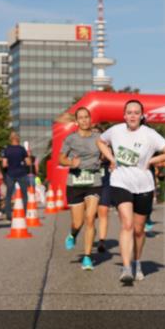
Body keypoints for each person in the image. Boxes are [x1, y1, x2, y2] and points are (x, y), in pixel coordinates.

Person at [96, 100, 165, 286]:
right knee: (127, 224)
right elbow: (100, 141)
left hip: (144, 185)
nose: (132, 116)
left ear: (141, 116)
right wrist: (111, 158)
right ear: (124, 115)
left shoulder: (150, 134)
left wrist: (152, 160)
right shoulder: (115, 131)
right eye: (129, 112)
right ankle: (126, 268)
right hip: (120, 182)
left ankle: (137, 262)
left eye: (136, 113)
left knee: (139, 230)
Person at [59, 107, 103, 270]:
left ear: (90, 120)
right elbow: (61, 158)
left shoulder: (99, 138)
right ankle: (73, 234)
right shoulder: (71, 139)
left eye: (87, 117)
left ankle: (87, 257)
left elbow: (106, 152)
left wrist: (108, 158)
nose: (84, 120)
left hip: (94, 180)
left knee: (90, 218)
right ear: (76, 121)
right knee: (78, 222)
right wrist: (71, 163)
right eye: (81, 118)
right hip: (75, 182)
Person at [1, 132, 30, 217]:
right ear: (18, 139)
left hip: (10, 174)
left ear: (10, 139)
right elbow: (28, 162)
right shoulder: (22, 149)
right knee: (24, 194)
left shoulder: (7, 149)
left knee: (9, 195)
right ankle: (24, 213)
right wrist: (23, 163)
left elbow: (4, 164)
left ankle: (8, 215)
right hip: (22, 173)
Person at [96, 154, 112, 254]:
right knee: (90, 214)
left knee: (104, 211)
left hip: (105, 180)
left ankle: (102, 241)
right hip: (90, 180)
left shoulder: (107, 141)